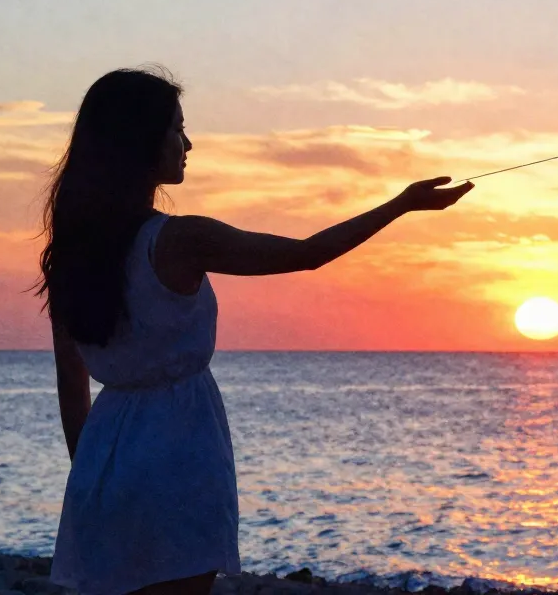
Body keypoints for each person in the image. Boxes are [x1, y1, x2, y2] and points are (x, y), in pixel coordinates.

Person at [36, 67, 473, 595]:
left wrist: (90, 478)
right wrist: (401, 205)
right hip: (177, 450)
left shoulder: (74, 253)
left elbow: (71, 381)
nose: (188, 144)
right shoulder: (180, 240)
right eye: (178, 129)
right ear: (141, 140)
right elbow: (306, 254)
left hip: (104, 457)